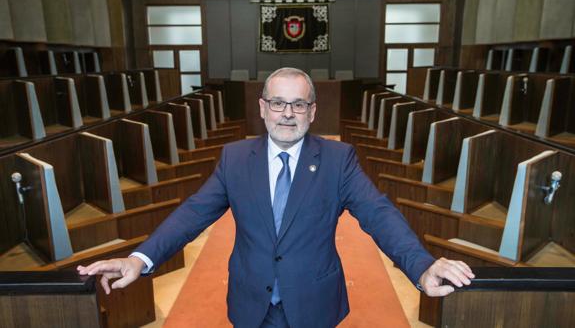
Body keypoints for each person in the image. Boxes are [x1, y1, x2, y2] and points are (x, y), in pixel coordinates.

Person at [78, 67, 474, 328]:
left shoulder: (338, 160)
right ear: (262, 108)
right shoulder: (235, 158)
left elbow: (378, 213)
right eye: (279, 103)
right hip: (253, 301)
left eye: (298, 104)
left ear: (312, 111)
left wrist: (421, 266)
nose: (288, 113)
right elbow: (194, 212)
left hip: (314, 302)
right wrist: (138, 259)